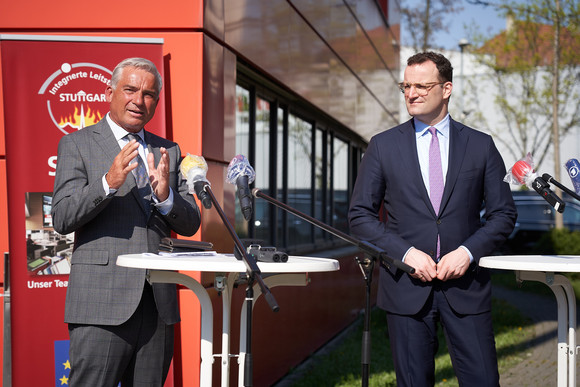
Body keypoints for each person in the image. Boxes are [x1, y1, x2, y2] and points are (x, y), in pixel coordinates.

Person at [348, 51, 517, 386]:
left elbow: (503, 214)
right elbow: (360, 215)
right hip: (406, 289)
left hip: (466, 288)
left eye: (423, 86)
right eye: (407, 86)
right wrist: (405, 254)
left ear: (447, 88)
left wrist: (467, 253)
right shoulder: (383, 147)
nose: (412, 93)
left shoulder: (480, 146)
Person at [51, 57, 201, 386]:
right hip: (100, 305)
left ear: (156, 103)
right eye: (130, 89)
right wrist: (107, 182)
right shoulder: (77, 144)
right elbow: (62, 217)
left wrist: (166, 199)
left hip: (157, 307)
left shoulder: (169, 151)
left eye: (148, 94)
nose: (138, 100)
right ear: (110, 92)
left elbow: (190, 223)